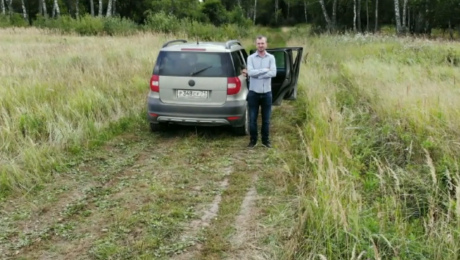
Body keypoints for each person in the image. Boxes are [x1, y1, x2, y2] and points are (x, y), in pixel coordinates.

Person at [246, 35, 277, 148]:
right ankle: (253, 140)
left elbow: (273, 73)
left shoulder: (271, 58)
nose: (260, 45)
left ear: (266, 44)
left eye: (262, 43)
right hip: (254, 92)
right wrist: (264, 70)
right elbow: (250, 73)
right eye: (258, 43)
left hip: (267, 93)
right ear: (256, 44)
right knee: (252, 119)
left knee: (266, 120)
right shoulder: (251, 58)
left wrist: (257, 73)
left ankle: (265, 140)